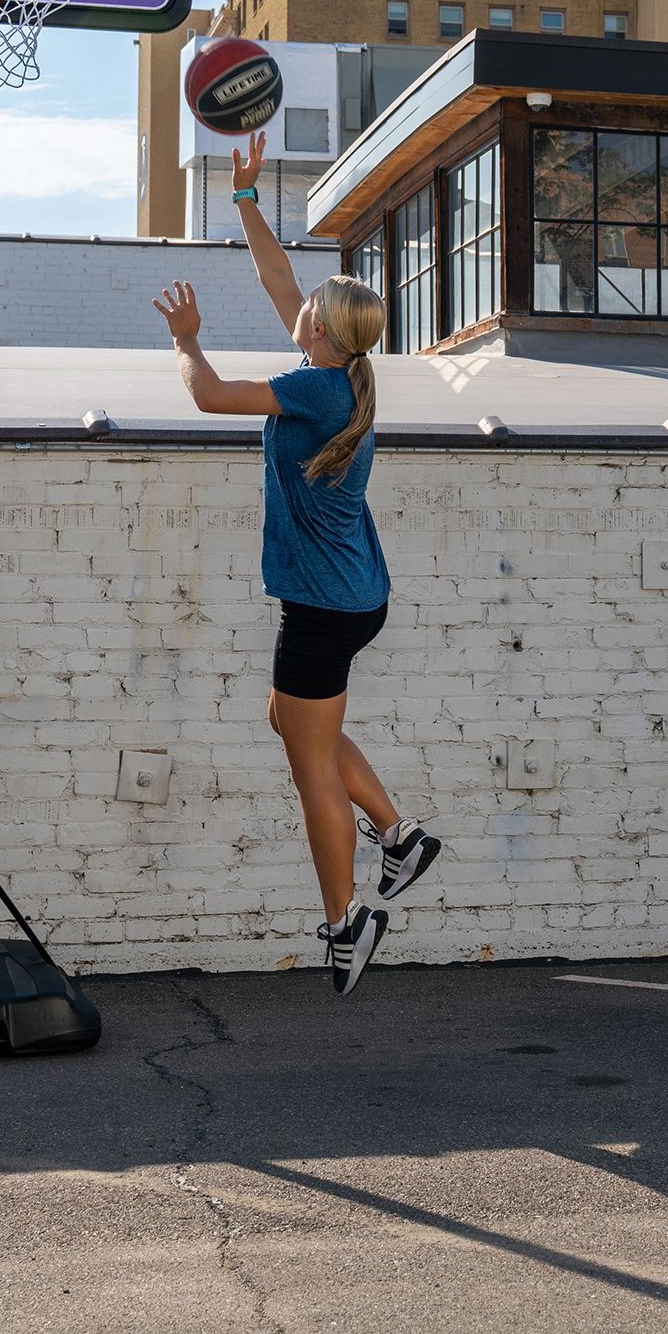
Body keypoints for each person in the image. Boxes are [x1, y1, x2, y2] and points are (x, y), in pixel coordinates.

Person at [152, 131, 440, 995]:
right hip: (346, 598)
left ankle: (347, 922)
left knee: (308, 763)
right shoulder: (337, 372)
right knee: (291, 722)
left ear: (323, 327)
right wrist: (245, 197)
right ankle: (399, 836)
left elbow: (208, 396)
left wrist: (187, 340)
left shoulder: (316, 387)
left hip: (323, 606)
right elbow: (281, 278)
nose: (298, 305)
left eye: (310, 305)